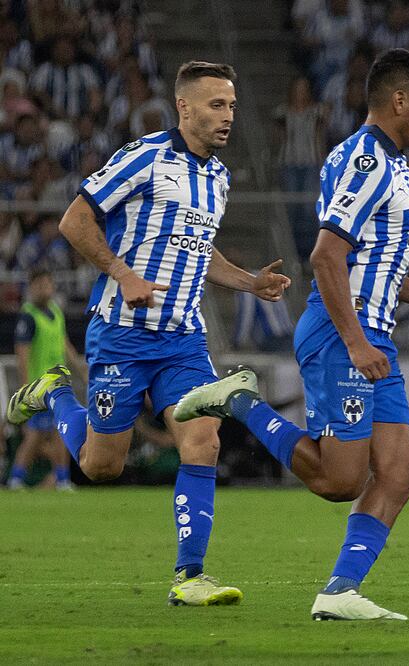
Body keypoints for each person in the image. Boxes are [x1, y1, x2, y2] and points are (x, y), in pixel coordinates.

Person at [174, 49, 409, 621]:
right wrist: (357, 342)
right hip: (345, 335)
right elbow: (327, 255)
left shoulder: (390, 163)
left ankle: (339, 592)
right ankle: (239, 400)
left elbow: (373, 261)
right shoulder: (368, 162)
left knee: (402, 469)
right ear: (400, 100)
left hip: (370, 335)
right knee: (340, 480)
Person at [5, 61, 292, 606]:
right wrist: (123, 273)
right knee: (100, 465)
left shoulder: (219, 178)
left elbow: (200, 251)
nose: (228, 116)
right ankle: (56, 392)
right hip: (121, 334)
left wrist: (250, 282)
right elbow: (74, 221)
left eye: (232, 106)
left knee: (203, 441)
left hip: (183, 338)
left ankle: (190, 575)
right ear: (183, 107)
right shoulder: (145, 158)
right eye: (216, 105)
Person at [7, 269, 84, 490]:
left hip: (59, 384)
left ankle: (62, 479)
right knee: (35, 435)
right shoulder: (28, 315)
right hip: (38, 386)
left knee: (61, 431)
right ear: (31, 288)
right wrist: (25, 388)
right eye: (40, 284)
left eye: (47, 284)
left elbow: (65, 345)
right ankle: (16, 477)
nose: (45, 288)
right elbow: (22, 352)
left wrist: (81, 371)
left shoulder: (56, 312)